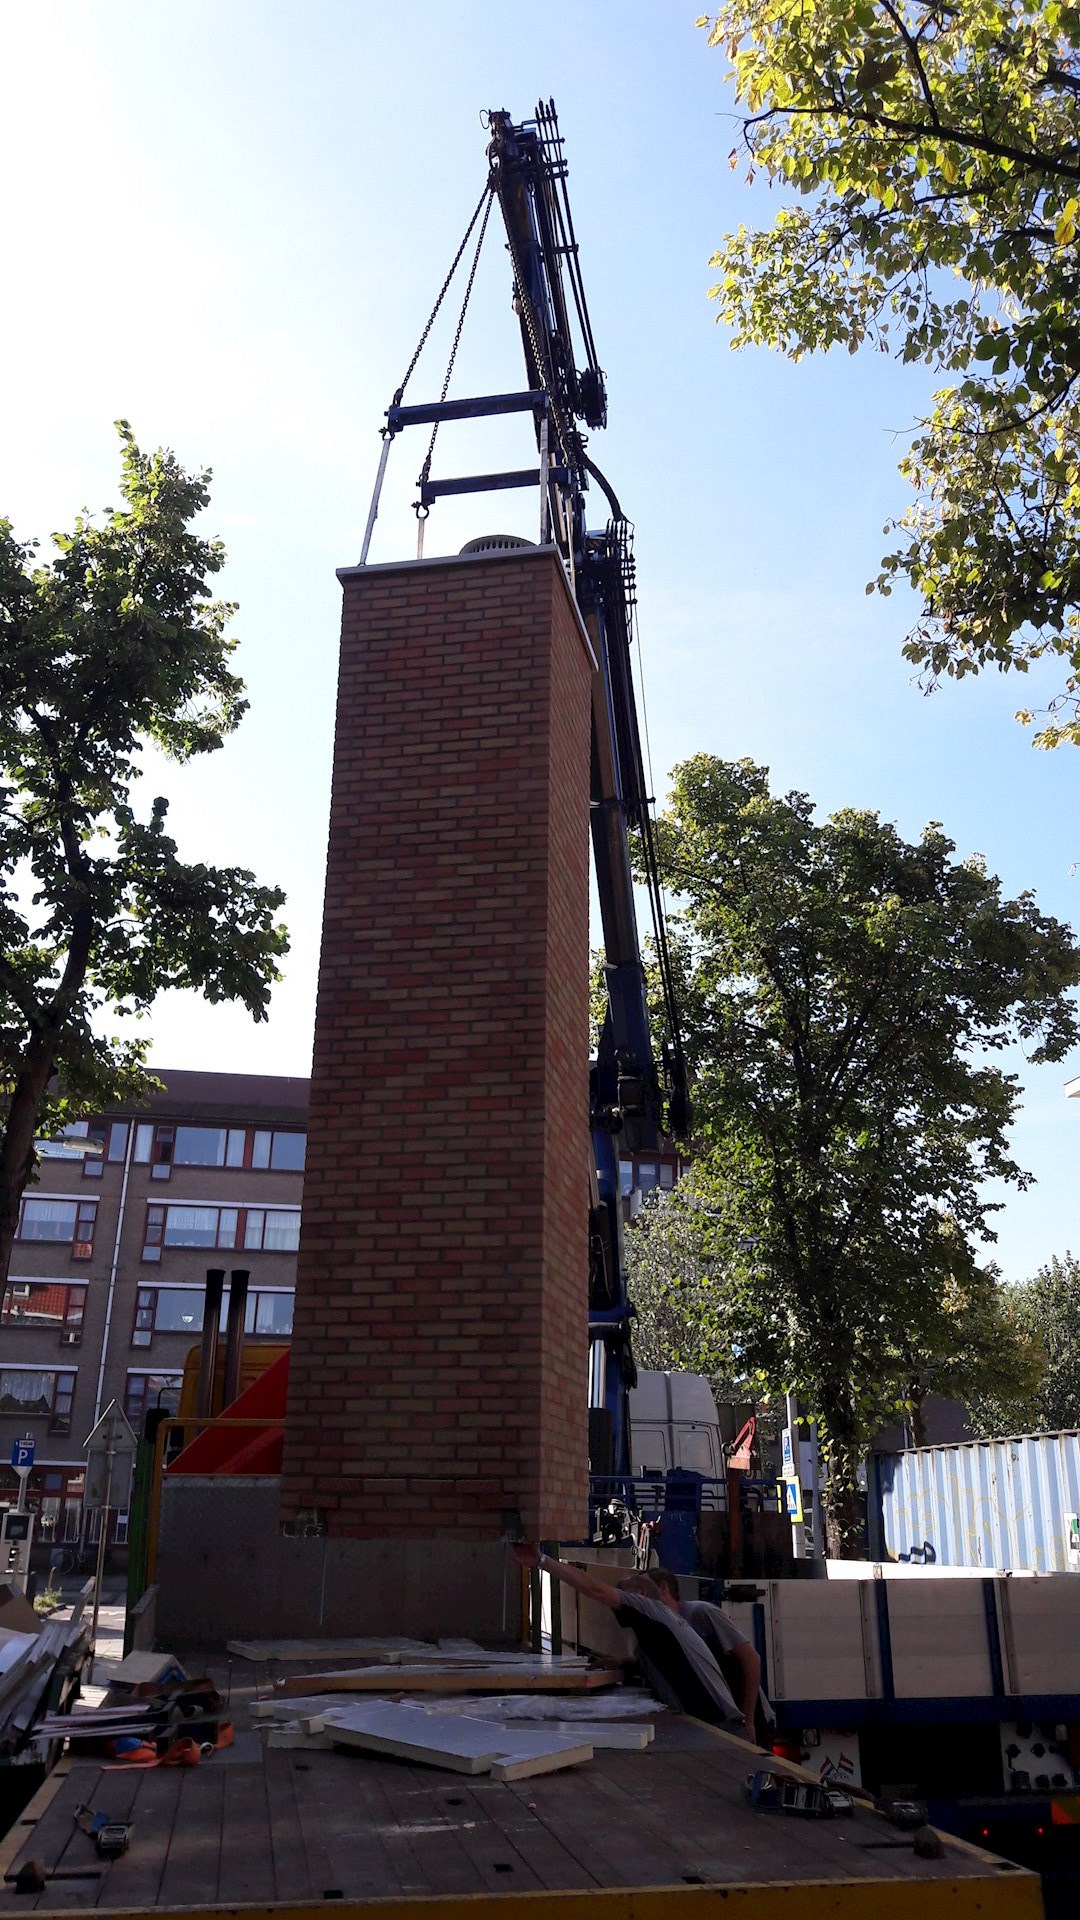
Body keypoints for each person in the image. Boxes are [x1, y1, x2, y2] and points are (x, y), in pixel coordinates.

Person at [511, 1543, 746, 1733]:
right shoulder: (656, 1631)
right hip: (707, 1727)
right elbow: (668, 1665)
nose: (615, 1604)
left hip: (720, 1727)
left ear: (641, 1593)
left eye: (623, 1591)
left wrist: (541, 1561)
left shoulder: (652, 1609)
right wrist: (621, 1664)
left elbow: (595, 1589)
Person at [654, 1568, 774, 1747]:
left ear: (663, 1588)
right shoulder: (664, 1629)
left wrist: (748, 1720)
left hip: (744, 1718)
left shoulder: (702, 1613)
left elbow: (751, 1659)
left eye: (643, 1592)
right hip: (715, 1723)